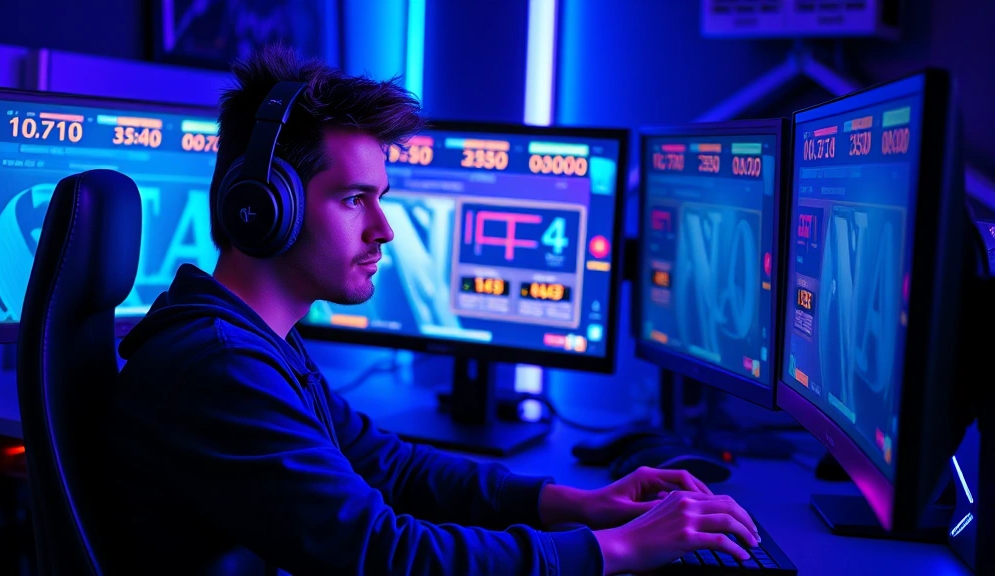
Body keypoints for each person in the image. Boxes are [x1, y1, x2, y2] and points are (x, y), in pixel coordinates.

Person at [106, 44, 761, 575]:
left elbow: (389, 466)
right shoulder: (221, 368)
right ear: (263, 206)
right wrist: (619, 549)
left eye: (380, 196)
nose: (384, 229)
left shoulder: (252, 343)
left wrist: (579, 505)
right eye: (354, 198)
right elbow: (385, 555)